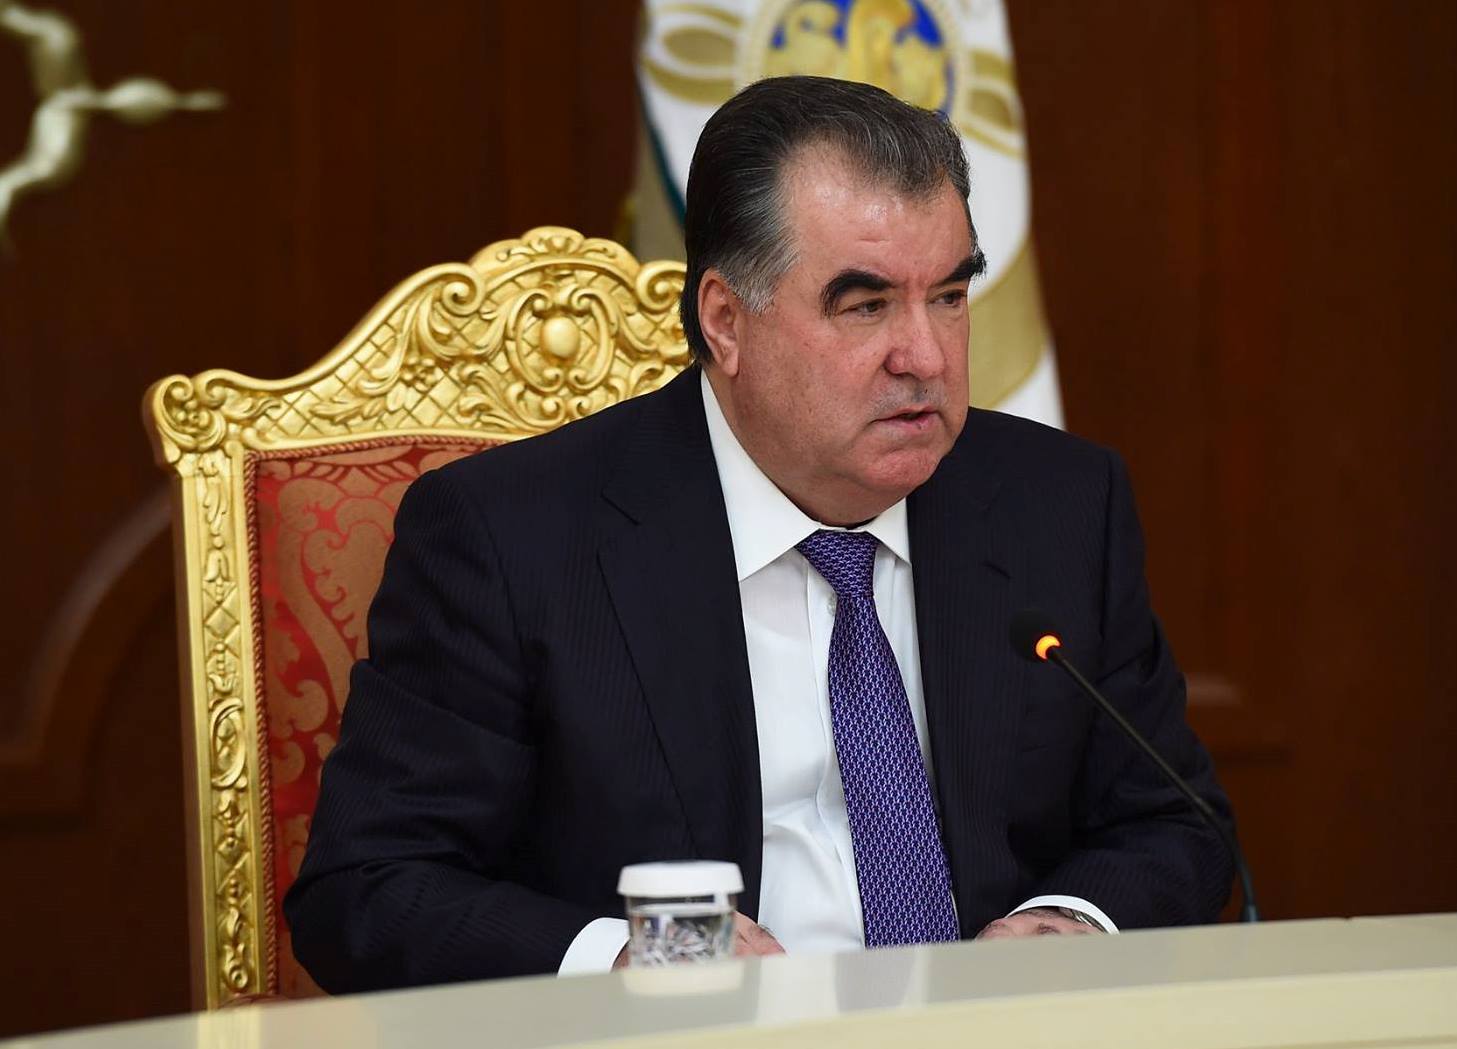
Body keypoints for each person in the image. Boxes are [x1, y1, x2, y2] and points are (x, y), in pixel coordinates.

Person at [286, 75, 1235, 993]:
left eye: (948, 295)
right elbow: (367, 885)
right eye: (865, 305)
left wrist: (1069, 922)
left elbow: (1172, 819)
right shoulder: (515, 540)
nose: (925, 356)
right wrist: (627, 960)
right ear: (725, 322)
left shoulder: (1056, 505)